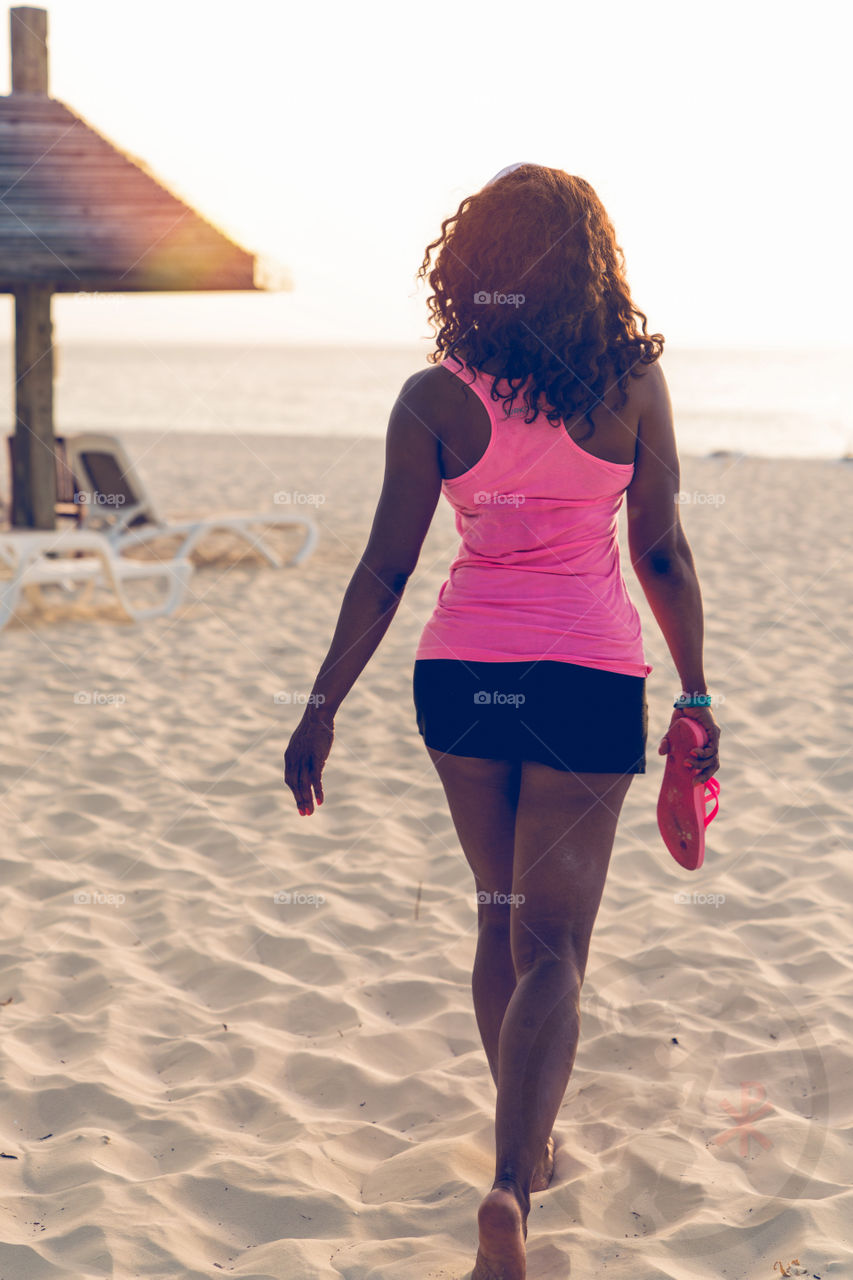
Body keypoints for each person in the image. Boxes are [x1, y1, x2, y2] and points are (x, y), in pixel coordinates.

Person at [284, 163, 721, 1280]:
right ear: (588, 267)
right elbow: (660, 549)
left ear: (470, 269)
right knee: (556, 945)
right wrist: (695, 688)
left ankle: (524, 1151)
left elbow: (384, 570)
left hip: (464, 679)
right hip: (583, 679)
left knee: (496, 912)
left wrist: (319, 706)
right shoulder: (629, 384)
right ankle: (512, 1181)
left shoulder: (434, 398)